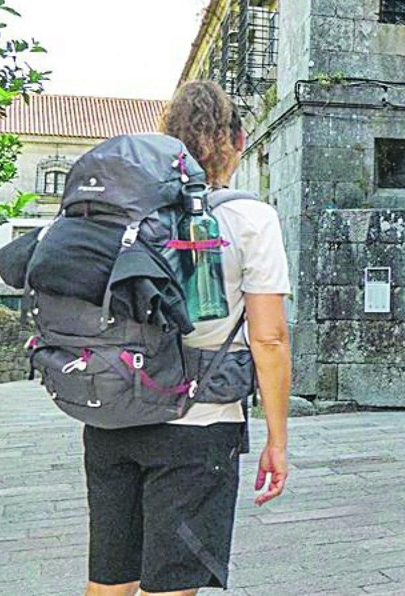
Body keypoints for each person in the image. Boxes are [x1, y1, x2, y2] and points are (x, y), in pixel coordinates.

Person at [84, 80, 293, 596]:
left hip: (111, 416)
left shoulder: (125, 210)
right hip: (198, 424)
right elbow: (269, 339)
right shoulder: (250, 218)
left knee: (108, 582)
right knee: (172, 586)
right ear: (239, 142)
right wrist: (277, 440)